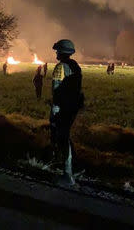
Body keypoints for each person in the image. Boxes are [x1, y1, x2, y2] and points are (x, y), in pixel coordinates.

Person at [50, 39, 84, 186]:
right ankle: (74, 168)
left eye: (58, 51)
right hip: (73, 107)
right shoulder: (75, 66)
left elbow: (56, 90)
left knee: (62, 137)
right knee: (65, 136)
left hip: (63, 107)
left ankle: (68, 175)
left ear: (62, 52)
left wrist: (55, 108)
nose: (56, 53)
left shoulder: (60, 67)